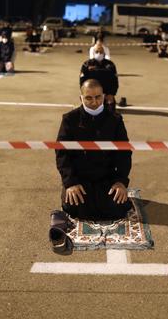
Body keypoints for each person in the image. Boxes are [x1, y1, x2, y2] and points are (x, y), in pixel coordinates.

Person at [55, 79, 132, 221]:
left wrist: (120, 181)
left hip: (106, 177)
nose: (94, 102)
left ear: (103, 96)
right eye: (89, 98)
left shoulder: (115, 119)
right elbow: (62, 153)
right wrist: (70, 182)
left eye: (98, 97)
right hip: (79, 178)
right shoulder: (69, 120)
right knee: (74, 207)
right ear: (81, 98)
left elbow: (124, 153)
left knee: (116, 207)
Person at [80, 45, 118, 110]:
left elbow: (114, 81)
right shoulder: (87, 64)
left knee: (110, 114)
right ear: (93, 53)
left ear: (104, 53)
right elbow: (82, 81)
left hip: (107, 95)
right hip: (91, 94)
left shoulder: (110, 65)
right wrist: (84, 94)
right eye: (97, 51)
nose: (99, 53)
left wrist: (112, 94)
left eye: (101, 52)